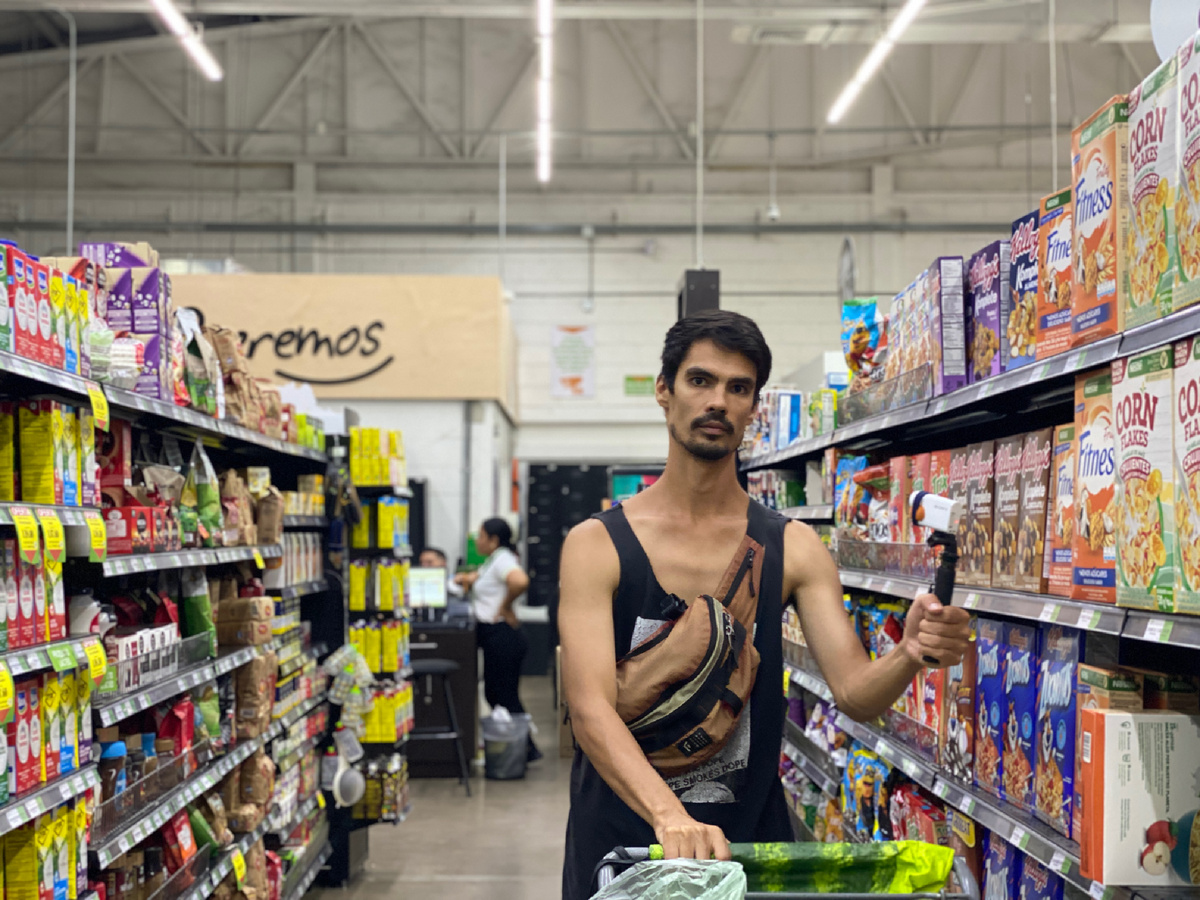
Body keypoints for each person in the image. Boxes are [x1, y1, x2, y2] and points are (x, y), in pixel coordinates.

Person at [558, 310, 972, 899]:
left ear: (754, 407)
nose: (718, 401)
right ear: (664, 391)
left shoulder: (793, 547)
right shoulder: (596, 545)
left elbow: (855, 694)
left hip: (749, 853)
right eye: (700, 380)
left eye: (738, 388)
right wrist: (669, 817)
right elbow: (589, 708)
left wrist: (909, 652)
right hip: (621, 850)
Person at [455, 518, 541, 760]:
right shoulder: (494, 560)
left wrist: (505, 606)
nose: (478, 540)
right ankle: (521, 746)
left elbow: (520, 581)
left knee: (503, 695)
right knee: (495, 693)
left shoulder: (503, 558)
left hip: (502, 636)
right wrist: (465, 579)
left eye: (481, 536)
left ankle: (526, 748)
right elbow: (482, 578)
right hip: (495, 636)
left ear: (493, 540)